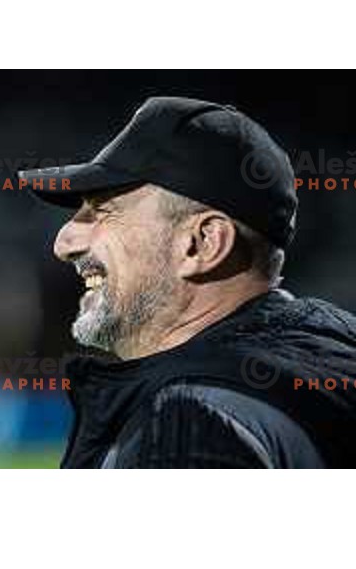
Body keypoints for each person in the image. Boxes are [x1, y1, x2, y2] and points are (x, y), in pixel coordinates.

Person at [19, 96, 356, 468]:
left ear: (202, 244)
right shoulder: (332, 352)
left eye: (103, 212)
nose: (64, 242)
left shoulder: (189, 420)